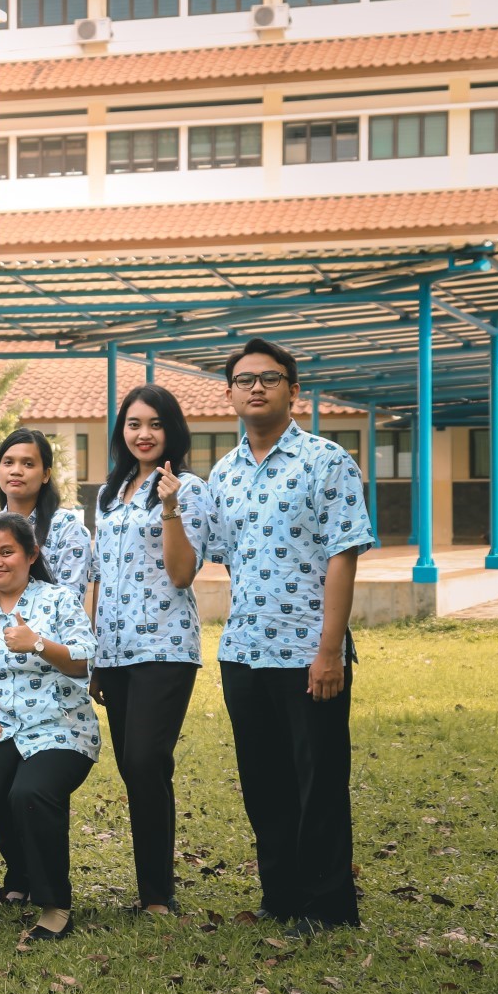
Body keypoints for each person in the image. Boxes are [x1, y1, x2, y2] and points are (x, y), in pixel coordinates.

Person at [207, 338, 372, 932]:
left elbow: (343, 556)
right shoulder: (223, 474)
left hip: (309, 654)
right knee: (264, 782)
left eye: (270, 378)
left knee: (318, 781)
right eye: (245, 379)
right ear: (229, 393)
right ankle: (282, 896)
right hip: (244, 653)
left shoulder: (328, 461)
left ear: (293, 390)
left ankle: (327, 906)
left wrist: (330, 650)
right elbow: (224, 559)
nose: (256, 387)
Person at [89, 384, 215, 916]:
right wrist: (92, 651)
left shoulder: (190, 489)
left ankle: (158, 896)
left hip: (165, 648)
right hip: (113, 652)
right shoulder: (106, 492)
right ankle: (151, 890)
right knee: (133, 768)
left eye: (155, 424)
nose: (144, 434)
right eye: (135, 423)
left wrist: (168, 510)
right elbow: (100, 576)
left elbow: (184, 573)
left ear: (173, 431)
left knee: (146, 760)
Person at [0, 514, 98, 942]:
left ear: (31, 555)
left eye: (7, 552)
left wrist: (37, 642)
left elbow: (83, 660)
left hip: (60, 728)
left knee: (30, 793)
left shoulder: (58, 601)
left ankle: (55, 904)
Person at [0, 429, 92, 605]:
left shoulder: (67, 527)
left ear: (45, 474)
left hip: (45, 631)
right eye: (8, 462)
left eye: (28, 464)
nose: (16, 471)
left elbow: (71, 601)